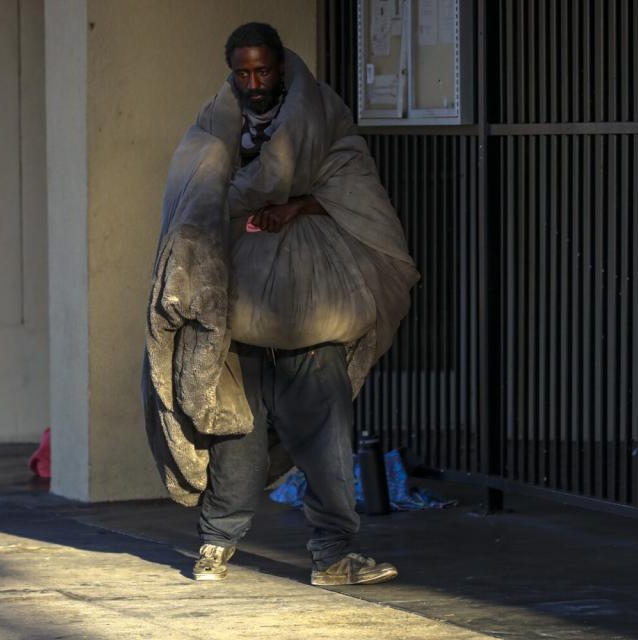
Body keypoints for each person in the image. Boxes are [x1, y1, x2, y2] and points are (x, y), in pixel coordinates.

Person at [143, 21, 418, 587]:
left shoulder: (322, 115)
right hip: (235, 315)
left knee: (326, 441)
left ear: (281, 67)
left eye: (262, 70)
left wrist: (296, 207)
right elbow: (192, 196)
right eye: (242, 72)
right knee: (235, 435)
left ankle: (334, 554)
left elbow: (355, 189)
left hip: (311, 314)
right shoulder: (214, 125)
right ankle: (216, 546)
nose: (253, 81)